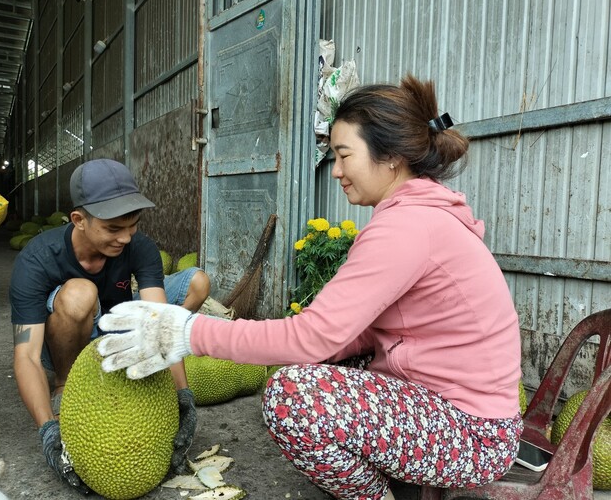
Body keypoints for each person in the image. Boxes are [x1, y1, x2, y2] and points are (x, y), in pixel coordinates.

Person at [95, 75, 523, 500]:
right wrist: (302, 345)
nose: (335, 170)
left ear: (390, 156)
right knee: (310, 366)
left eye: (343, 155)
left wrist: (188, 333)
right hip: (450, 409)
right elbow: (365, 330)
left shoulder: (407, 226)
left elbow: (317, 334)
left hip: (473, 435)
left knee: (293, 398)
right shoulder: (417, 214)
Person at [9, 158, 210, 494]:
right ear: (79, 220)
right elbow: (26, 354)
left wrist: (182, 395)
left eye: (132, 226)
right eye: (114, 229)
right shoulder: (37, 258)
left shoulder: (137, 246)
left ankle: (144, 363)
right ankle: (64, 384)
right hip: (64, 334)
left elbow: (163, 324)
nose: (126, 238)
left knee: (198, 283)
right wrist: (47, 429)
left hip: (117, 326)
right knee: (79, 294)